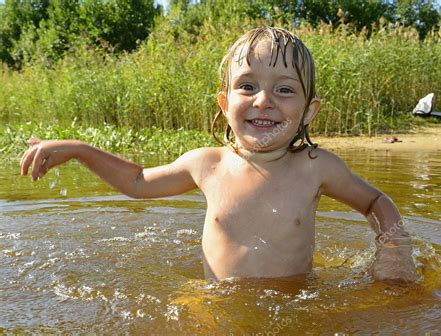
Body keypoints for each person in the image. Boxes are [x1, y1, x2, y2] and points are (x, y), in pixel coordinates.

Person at [20, 27, 417, 282]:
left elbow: (376, 201)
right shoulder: (206, 164)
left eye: (284, 90)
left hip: (296, 303)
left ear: (308, 111)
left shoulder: (317, 168)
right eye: (248, 86)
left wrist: (394, 252)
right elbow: (137, 183)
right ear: (225, 103)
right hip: (218, 304)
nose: (264, 101)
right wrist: (79, 150)